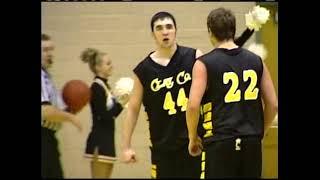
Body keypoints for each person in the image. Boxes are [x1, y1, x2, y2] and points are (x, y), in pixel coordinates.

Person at [121, 11, 257, 178]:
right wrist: (126, 146)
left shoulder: (194, 57)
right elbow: (133, 110)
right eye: (159, 28)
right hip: (163, 148)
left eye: (169, 27)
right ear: (153, 34)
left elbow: (221, 59)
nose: (165, 31)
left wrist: (246, 33)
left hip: (195, 145)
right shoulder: (143, 70)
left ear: (176, 30)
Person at [186, 7, 278, 178]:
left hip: (220, 142)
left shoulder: (203, 63)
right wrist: (261, 131)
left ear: (210, 32)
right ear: (233, 29)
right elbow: (273, 104)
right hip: (251, 142)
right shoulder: (256, 61)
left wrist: (192, 137)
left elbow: (192, 106)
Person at [81, 48, 129, 178]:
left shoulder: (105, 86)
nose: (111, 66)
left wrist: (124, 102)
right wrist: (121, 102)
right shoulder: (96, 87)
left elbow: (111, 115)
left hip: (108, 141)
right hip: (99, 142)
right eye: (108, 63)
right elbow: (105, 115)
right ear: (97, 67)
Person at [41, 33, 82, 178]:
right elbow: (45, 111)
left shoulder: (46, 76)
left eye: (51, 49)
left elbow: (57, 108)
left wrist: (72, 107)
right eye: (45, 50)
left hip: (49, 139)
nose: (49, 53)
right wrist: (71, 118)